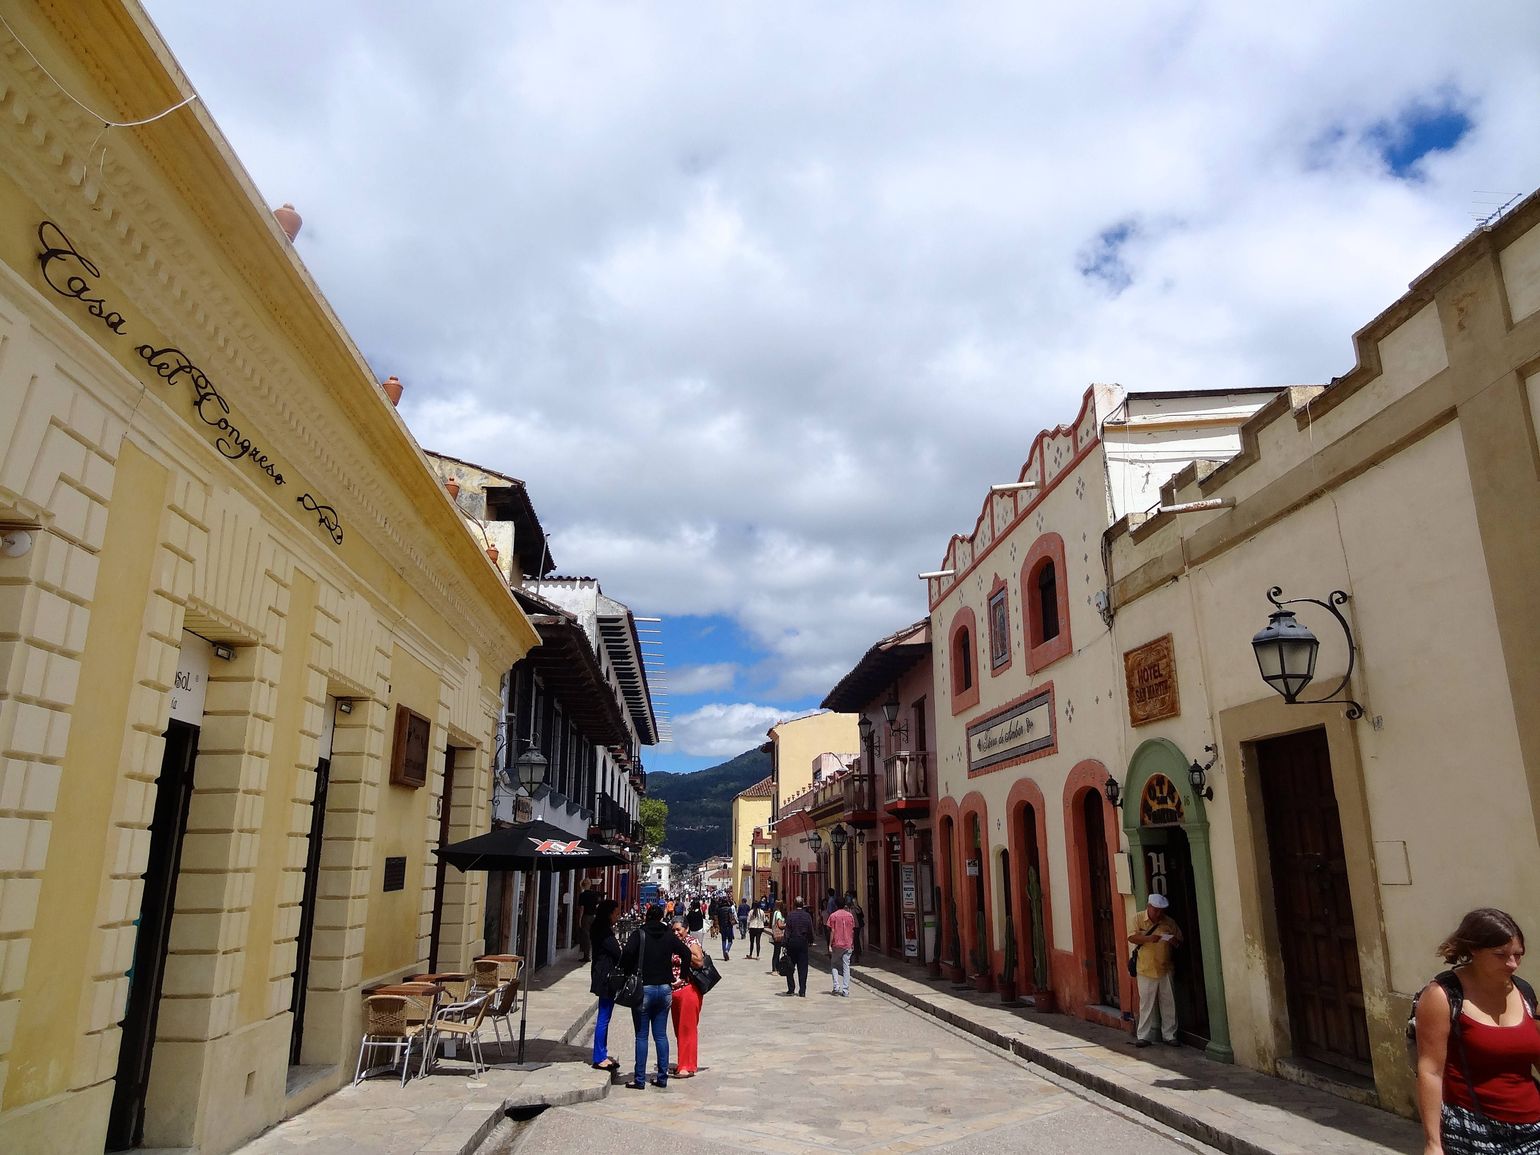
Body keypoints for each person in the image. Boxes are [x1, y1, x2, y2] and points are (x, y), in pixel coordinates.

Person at [1415, 908, 1540, 1154]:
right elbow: (1430, 1071)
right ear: (1473, 949)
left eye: (1518, 955)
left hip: (1533, 1127)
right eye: (1500, 955)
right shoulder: (1443, 996)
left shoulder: (1524, 992)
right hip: (1471, 1130)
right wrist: (1433, 1143)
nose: (1512, 964)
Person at [617, 903, 691, 1089]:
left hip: (644, 989)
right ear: (661, 918)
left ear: (646, 917)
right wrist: (681, 977)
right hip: (665, 989)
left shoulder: (639, 934)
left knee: (642, 1036)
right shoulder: (668, 935)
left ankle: (640, 1079)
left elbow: (625, 955)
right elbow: (686, 953)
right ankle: (662, 1077)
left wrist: (628, 972)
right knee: (660, 1035)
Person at [1127, 892, 1183, 1047]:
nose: (1158, 913)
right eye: (1156, 910)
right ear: (1149, 907)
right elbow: (1131, 937)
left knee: (1168, 1003)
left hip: (1165, 967)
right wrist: (1148, 938)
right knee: (1146, 1003)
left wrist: (1173, 941)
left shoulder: (1168, 923)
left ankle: (1170, 1035)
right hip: (1145, 968)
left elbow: (1179, 942)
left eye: (1161, 911)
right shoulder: (1137, 919)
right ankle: (1143, 1036)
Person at [668, 916, 707, 1079]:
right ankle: (684, 1062)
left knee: (687, 1029)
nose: (676, 933)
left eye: (679, 929)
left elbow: (699, 961)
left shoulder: (691, 942)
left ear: (686, 929)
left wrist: (684, 953)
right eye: (674, 930)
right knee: (679, 1030)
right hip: (674, 990)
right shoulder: (671, 943)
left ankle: (687, 1067)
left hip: (689, 990)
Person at [588, 898, 622, 1072]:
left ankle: (602, 1053)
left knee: (605, 1015)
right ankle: (599, 1057)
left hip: (601, 973)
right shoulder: (604, 932)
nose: (618, 916)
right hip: (605, 976)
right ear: (609, 913)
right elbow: (616, 952)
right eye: (616, 913)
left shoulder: (598, 927)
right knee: (603, 1016)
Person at [781, 896, 815, 997]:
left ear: (794, 904)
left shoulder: (790, 916)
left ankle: (791, 988)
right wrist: (811, 941)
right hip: (803, 943)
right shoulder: (807, 916)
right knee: (803, 967)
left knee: (790, 966)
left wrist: (784, 943)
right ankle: (802, 990)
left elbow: (787, 931)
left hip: (792, 943)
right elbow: (810, 930)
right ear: (803, 904)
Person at [828, 895, 856, 996]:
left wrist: (830, 944)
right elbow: (852, 930)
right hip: (848, 944)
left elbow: (832, 931)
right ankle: (845, 990)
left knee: (834, 964)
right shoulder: (850, 916)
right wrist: (852, 942)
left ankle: (836, 986)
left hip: (837, 944)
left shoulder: (833, 916)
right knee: (846, 966)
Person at [577, 881, 599, 963]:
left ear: (583, 886)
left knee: (586, 937)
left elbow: (582, 908)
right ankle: (594, 954)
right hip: (593, 916)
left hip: (586, 916)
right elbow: (597, 905)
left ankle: (587, 956)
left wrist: (580, 918)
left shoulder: (582, 895)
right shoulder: (594, 894)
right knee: (593, 936)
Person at [714, 893, 736, 961]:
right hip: (729, 926)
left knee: (723, 940)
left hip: (722, 926)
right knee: (730, 940)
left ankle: (724, 954)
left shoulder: (719, 909)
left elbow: (716, 917)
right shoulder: (729, 909)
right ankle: (727, 950)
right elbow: (731, 917)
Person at [846, 890, 865, 963]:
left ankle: (856, 955)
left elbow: (859, 912)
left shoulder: (854, 904)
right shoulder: (848, 906)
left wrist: (855, 906)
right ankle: (856, 952)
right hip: (851, 926)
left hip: (856, 925)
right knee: (854, 940)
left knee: (855, 940)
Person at [769, 900, 787, 975]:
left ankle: (775, 968)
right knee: (777, 952)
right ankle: (774, 969)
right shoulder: (779, 913)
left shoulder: (775, 912)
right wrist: (786, 925)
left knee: (777, 952)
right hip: (779, 935)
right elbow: (779, 925)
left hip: (775, 934)